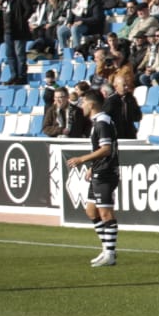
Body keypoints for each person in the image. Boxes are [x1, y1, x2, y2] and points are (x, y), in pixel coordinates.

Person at [63, 90, 120, 267]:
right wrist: (91, 166)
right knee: (91, 211)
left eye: (83, 102)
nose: (81, 106)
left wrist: (82, 159)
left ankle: (110, 253)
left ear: (92, 104)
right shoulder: (99, 122)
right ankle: (106, 250)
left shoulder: (102, 122)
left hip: (106, 173)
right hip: (99, 170)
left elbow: (106, 149)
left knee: (105, 212)